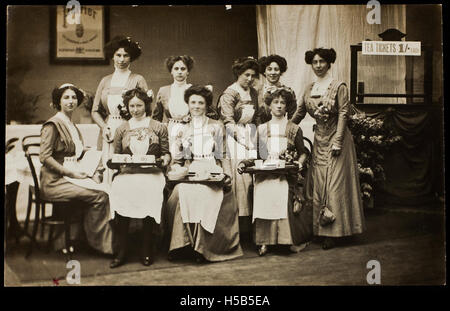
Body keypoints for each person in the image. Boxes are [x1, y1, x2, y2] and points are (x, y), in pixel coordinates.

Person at [291, 48, 365, 250]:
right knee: (319, 184)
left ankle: (335, 233)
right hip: (319, 141)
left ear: (329, 63)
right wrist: (284, 128)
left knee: (335, 185)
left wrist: (338, 140)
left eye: (322, 61)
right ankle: (319, 229)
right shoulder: (309, 88)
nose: (318, 65)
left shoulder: (339, 86)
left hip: (337, 139)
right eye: (314, 62)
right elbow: (299, 113)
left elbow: (343, 114)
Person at [165, 85, 242, 262]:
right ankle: (181, 245)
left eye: (201, 102)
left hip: (212, 170)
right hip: (190, 171)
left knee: (204, 194)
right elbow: (178, 159)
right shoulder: (183, 128)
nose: (196, 106)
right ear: (188, 104)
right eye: (193, 102)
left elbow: (223, 155)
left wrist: (226, 175)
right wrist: (176, 169)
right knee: (180, 193)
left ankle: (201, 248)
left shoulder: (216, 126)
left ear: (207, 105)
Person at [39, 83, 113, 255]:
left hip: (68, 177)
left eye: (73, 97)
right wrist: (69, 173)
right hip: (55, 181)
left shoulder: (71, 124)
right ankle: (98, 244)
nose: (71, 101)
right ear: (58, 101)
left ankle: (80, 238)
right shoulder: (53, 124)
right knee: (99, 196)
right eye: (66, 97)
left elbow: (74, 151)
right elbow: (45, 157)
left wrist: (90, 154)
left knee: (104, 188)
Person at [238, 87, 312, 256]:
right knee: (263, 190)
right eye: (275, 102)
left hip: (285, 175)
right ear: (269, 106)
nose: (279, 106)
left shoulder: (294, 129)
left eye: (283, 103)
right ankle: (264, 242)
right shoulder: (262, 129)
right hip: (264, 174)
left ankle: (284, 240)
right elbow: (256, 156)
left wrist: (298, 164)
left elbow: (303, 153)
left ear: (288, 107)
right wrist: (244, 163)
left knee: (280, 189)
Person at [109, 87, 171, 268]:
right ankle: (122, 250)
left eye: (139, 105)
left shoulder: (159, 127)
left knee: (149, 192)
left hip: (152, 173)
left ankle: (146, 249)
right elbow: (117, 155)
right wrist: (117, 162)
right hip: (128, 173)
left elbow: (166, 154)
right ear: (126, 107)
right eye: (131, 106)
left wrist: (164, 160)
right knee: (121, 190)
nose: (135, 109)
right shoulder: (121, 129)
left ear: (146, 105)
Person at [91, 35, 149, 186]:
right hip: (109, 128)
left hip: (131, 129)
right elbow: (95, 110)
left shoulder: (138, 79)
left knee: (127, 168)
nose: (122, 59)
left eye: (126, 55)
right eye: (118, 55)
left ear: (131, 58)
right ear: (112, 56)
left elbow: (146, 109)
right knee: (107, 165)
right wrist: (104, 127)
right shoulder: (105, 81)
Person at [218, 56, 260, 227]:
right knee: (240, 178)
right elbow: (228, 121)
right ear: (238, 74)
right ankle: (238, 223)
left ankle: (254, 222)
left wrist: (257, 138)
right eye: (246, 75)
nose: (250, 79)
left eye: (252, 76)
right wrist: (243, 140)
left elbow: (256, 117)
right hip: (234, 138)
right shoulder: (229, 93)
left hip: (251, 133)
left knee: (254, 176)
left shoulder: (254, 92)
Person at [151, 55, 196, 157]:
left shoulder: (193, 90)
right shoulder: (163, 91)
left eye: (183, 69)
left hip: (190, 129)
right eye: (176, 69)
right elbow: (156, 117)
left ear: (188, 71)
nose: (179, 71)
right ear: (171, 71)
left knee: (188, 158)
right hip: (170, 130)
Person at [257, 54, 297, 123]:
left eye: (276, 69)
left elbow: (293, 116)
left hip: (281, 130)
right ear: (264, 71)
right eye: (269, 69)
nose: (273, 73)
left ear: (280, 71)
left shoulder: (288, 92)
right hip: (260, 130)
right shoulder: (256, 91)